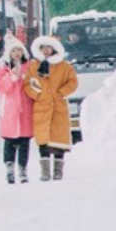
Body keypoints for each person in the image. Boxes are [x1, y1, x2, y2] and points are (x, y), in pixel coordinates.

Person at [24, 34, 79, 181]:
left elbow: (72, 82)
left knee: (59, 139)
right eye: (43, 48)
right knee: (43, 140)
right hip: (41, 107)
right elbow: (28, 85)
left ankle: (58, 170)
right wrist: (38, 95)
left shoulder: (64, 66)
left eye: (48, 47)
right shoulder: (33, 66)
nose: (46, 50)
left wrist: (61, 92)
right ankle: (45, 171)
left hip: (58, 107)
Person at [0, 35, 35, 185]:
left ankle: (23, 169)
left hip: (25, 109)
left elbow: (34, 84)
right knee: (10, 141)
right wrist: (11, 77)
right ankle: (9, 168)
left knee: (24, 142)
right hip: (10, 109)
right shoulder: (4, 67)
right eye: (14, 50)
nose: (17, 53)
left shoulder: (29, 66)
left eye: (19, 50)